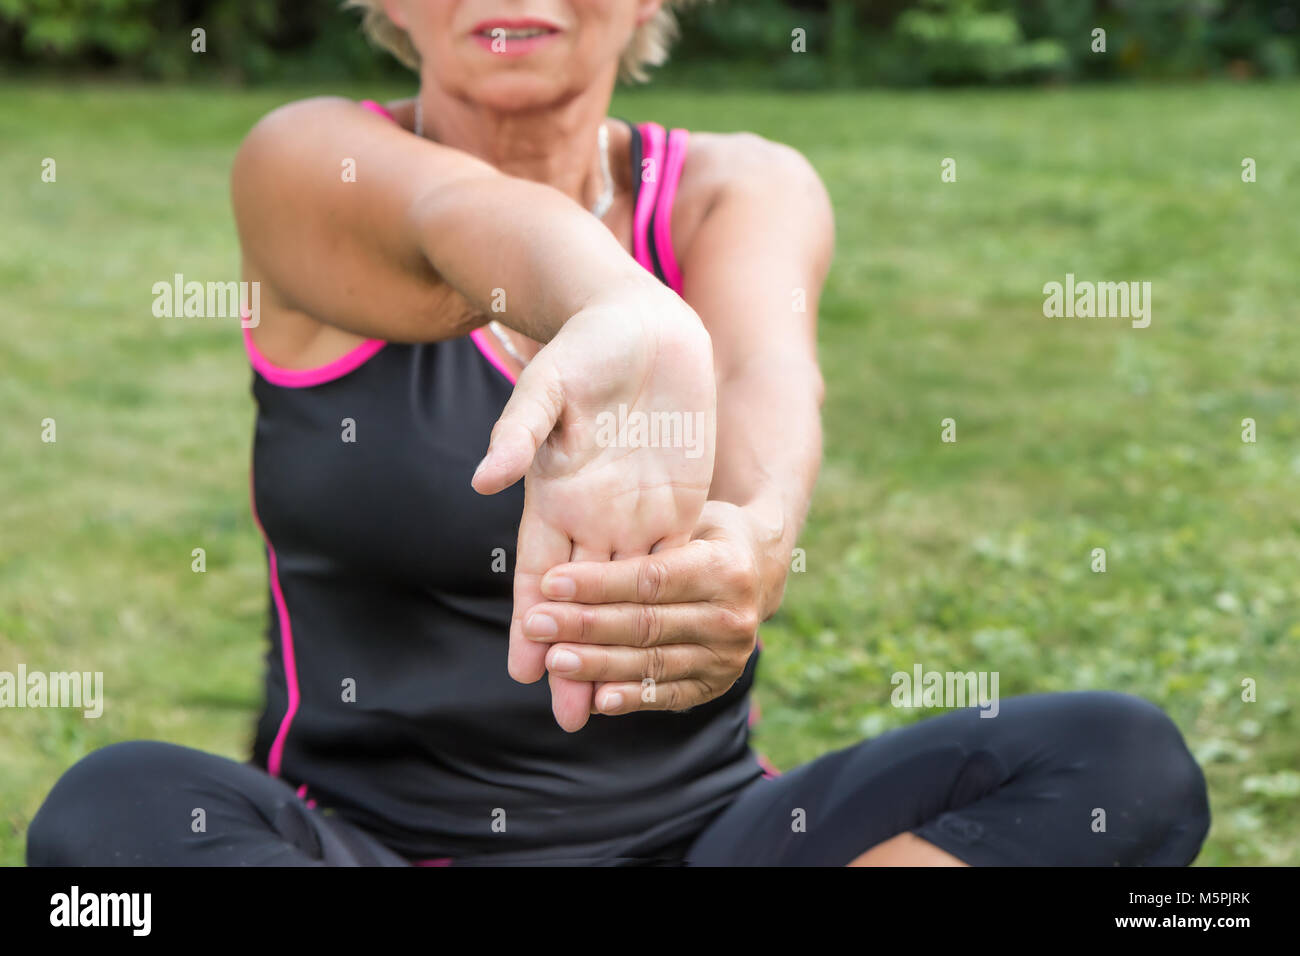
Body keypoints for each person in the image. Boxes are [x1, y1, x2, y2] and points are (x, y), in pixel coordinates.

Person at [27, 1, 1209, 866]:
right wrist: (624, 306)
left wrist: (753, 540)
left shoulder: (742, 189)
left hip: (710, 842)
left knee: (1120, 759)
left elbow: (767, 382)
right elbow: (453, 218)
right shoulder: (305, 160)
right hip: (357, 844)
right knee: (106, 822)